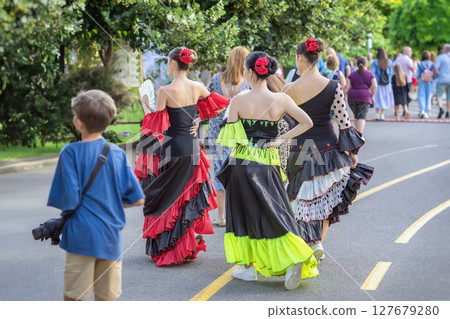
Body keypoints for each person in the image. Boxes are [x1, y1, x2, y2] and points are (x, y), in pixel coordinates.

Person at [216, 51, 319, 290]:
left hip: (242, 165)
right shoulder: (281, 99)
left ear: (250, 72)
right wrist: (282, 138)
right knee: (275, 212)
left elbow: (230, 141)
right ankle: (294, 255)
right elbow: (307, 122)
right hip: (269, 164)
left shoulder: (239, 101)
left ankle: (249, 269)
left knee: (244, 215)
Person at [134, 47, 229, 266]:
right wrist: (198, 121)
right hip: (193, 147)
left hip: (173, 147)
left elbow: (155, 124)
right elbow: (220, 105)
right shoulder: (197, 86)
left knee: (170, 197)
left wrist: (144, 104)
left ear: (173, 64)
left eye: (168, 61)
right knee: (187, 196)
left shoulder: (166, 90)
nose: (168, 65)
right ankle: (185, 245)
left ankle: (172, 246)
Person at [47, 90, 145, 301]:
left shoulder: (69, 153)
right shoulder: (117, 153)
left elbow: (68, 199)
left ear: (79, 123)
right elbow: (137, 199)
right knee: (106, 300)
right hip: (110, 238)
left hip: (79, 237)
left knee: (75, 299)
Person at [283, 38, 374, 261]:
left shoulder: (289, 88)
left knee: (298, 200)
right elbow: (344, 123)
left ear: (300, 58)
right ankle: (318, 243)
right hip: (328, 149)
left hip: (300, 150)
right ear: (319, 58)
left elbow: (284, 124)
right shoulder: (334, 86)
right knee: (324, 199)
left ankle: (307, 245)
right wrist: (352, 153)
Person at [207, 46, 251, 227]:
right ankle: (238, 216)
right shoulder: (249, 83)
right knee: (239, 171)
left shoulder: (216, 80)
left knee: (219, 172)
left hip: (217, 133)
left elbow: (206, 104)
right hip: (239, 133)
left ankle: (221, 216)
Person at [346, 56, 377, 132]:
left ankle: (357, 133)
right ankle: (359, 134)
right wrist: (372, 95)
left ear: (356, 64)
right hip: (364, 97)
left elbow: (347, 86)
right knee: (361, 116)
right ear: (366, 64)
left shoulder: (352, 75)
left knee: (356, 115)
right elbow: (375, 86)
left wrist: (343, 96)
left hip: (352, 97)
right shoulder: (370, 74)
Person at [372, 48, 395, 120]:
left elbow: (373, 73)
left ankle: (377, 114)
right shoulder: (389, 62)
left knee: (378, 98)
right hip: (387, 84)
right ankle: (382, 114)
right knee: (385, 98)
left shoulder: (375, 62)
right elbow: (391, 73)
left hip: (378, 83)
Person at [433, 44, 450, 118]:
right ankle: (448, 112)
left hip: (442, 79)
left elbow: (436, 68)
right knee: (449, 97)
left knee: (439, 95)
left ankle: (440, 108)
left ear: (445, 49)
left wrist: (434, 74)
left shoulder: (440, 57)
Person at [417, 50, 434, 118]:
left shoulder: (420, 64)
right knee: (428, 96)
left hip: (422, 81)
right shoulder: (432, 64)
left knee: (421, 96)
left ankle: (422, 110)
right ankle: (426, 111)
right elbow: (435, 73)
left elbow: (417, 74)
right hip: (429, 82)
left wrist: (418, 79)